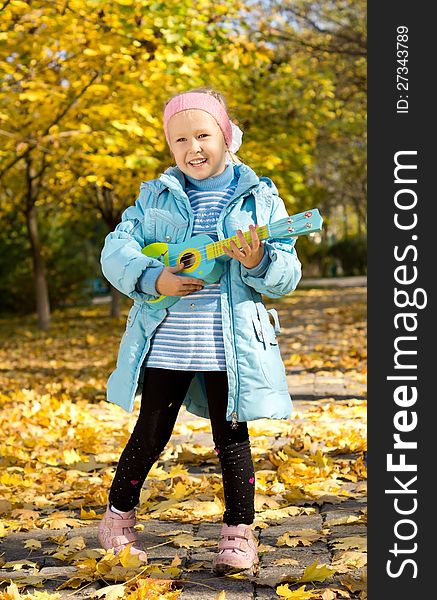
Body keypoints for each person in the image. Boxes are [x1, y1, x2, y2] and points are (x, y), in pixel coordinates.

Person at [98, 88, 302, 574]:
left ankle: (238, 532)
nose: (193, 148)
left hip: (229, 345)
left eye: (204, 134)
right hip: (167, 339)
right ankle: (117, 520)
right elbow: (115, 251)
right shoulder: (155, 197)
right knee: (150, 434)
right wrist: (153, 276)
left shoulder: (258, 199)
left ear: (227, 135)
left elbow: (287, 274)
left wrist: (259, 260)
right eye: (180, 139)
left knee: (231, 437)